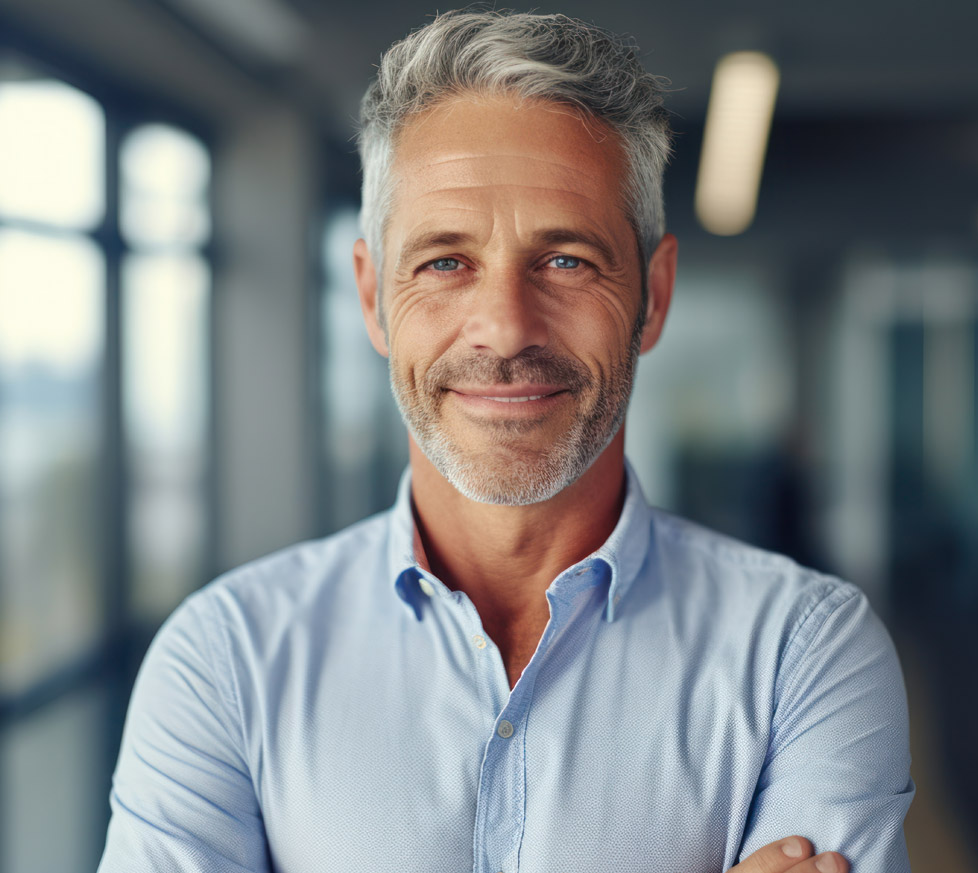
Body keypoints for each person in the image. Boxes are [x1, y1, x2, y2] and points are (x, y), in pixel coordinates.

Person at [97, 10, 913, 873]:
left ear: (655, 294)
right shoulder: (225, 660)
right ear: (373, 298)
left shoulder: (806, 655)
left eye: (565, 260)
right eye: (445, 261)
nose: (504, 327)